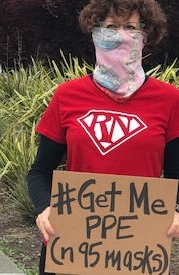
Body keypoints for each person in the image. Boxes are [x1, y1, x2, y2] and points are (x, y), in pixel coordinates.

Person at [27, 0, 179, 274]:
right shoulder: (67, 96)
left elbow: (177, 175)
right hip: (73, 247)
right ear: (95, 31)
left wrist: (176, 210)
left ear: (146, 34)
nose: (120, 35)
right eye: (110, 26)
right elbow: (39, 171)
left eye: (130, 26)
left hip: (138, 252)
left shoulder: (170, 100)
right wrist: (44, 209)